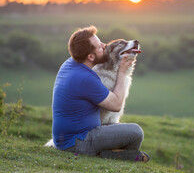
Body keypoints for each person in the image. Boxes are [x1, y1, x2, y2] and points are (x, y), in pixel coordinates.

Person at [51, 25, 150, 162]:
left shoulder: (71, 64)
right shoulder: (85, 78)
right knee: (135, 132)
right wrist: (121, 72)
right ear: (90, 56)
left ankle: (113, 153)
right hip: (77, 142)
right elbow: (116, 105)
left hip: (71, 138)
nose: (105, 46)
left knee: (123, 130)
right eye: (99, 46)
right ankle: (116, 155)